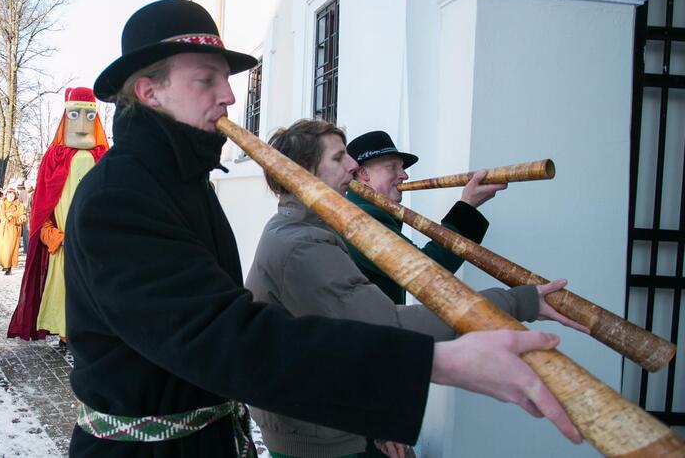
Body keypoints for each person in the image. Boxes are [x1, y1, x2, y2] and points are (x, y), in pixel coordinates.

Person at [63, 0, 581, 457]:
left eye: (227, 79)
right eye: (206, 80)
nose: (229, 97)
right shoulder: (121, 196)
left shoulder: (182, 180)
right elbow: (224, 337)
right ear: (149, 91)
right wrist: (436, 362)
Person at [244, 120, 586, 458]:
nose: (351, 165)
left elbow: (348, 333)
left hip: (335, 414)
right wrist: (518, 301)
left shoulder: (314, 227)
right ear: (303, 172)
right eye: (339, 158)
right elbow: (403, 305)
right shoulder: (309, 240)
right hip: (318, 429)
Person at [344, 131, 504, 305]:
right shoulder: (361, 217)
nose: (404, 175)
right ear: (363, 174)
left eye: (402, 167)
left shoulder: (364, 210)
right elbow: (425, 272)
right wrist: (467, 206)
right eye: (392, 167)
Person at [7, 87, 108, 345]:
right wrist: (57, 236)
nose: (83, 125)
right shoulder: (54, 158)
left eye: (89, 115)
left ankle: (88, 336)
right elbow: (42, 211)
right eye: (75, 115)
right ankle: (66, 336)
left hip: (94, 250)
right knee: (65, 292)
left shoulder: (103, 158)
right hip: (63, 248)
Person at [0, 187, 26, 274]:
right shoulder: (1, 203)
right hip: (1, 229)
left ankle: (8, 267)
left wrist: (13, 219)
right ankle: (4, 264)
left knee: (8, 249)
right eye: (9, 195)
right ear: (6, 195)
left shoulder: (19, 205)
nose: (10, 197)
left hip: (12, 230)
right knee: (1, 249)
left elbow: (23, 217)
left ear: (15, 195)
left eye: (12, 195)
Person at [17, 183, 30, 252]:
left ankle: (30, 248)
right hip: (25, 213)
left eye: (29, 185)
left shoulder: (33, 191)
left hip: (32, 214)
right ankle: (26, 248)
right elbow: (19, 203)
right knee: (25, 231)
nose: (28, 186)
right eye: (27, 185)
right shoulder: (22, 193)